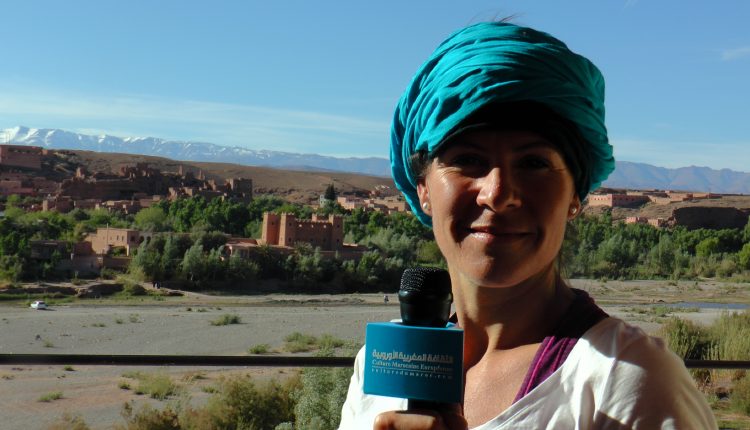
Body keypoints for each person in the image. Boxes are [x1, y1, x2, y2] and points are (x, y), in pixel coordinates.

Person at [338, 21, 717, 429]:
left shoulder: (625, 382)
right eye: (467, 160)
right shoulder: (382, 367)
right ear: (423, 189)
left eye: (534, 163)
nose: (498, 193)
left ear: (575, 196)